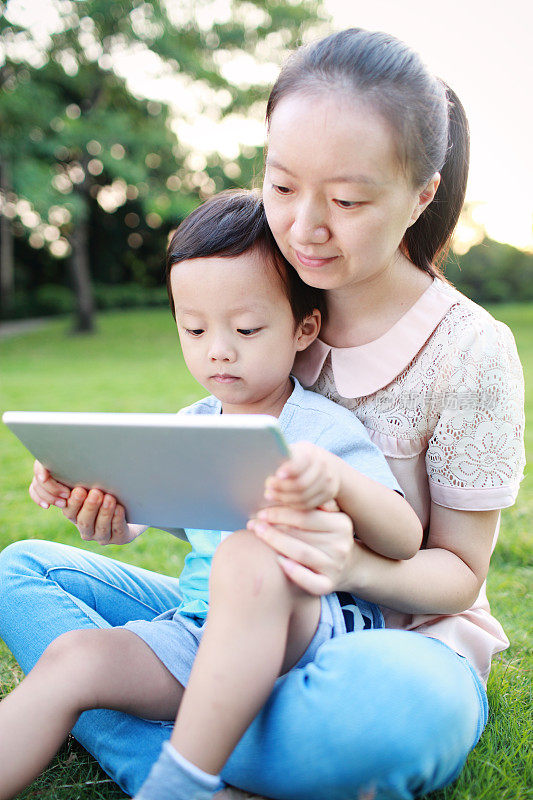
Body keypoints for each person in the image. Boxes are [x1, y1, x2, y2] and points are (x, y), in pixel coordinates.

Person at [0, 27, 525, 800]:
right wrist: (120, 503)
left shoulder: (469, 351)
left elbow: (454, 573)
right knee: (24, 572)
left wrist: (345, 565)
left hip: (388, 644)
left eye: (346, 200)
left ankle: (172, 749)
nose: (304, 227)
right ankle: (206, 749)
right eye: (281, 187)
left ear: (420, 195)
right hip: (224, 619)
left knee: (387, 716)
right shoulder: (259, 293)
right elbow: (216, 494)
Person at [0, 190, 422, 800]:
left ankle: (181, 782)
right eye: (193, 329)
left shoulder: (320, 429)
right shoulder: (194, 423)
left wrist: (336, 480)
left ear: (304, 327)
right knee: (70, 656)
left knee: (250, 556)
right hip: (199, 629)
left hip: (308, 633)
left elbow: (406, 537)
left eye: (246, 328)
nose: (217, 348)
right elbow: (145, 523)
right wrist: (93, 502)